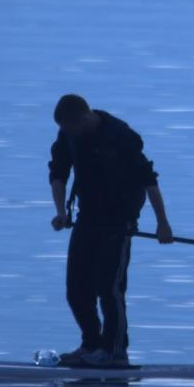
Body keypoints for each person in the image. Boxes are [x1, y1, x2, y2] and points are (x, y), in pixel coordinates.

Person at [48, 94, 173, 368]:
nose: (66, 133)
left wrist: (162, 223)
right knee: (76, 289)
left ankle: (115, 352)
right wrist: (61, 211)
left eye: (69, 127)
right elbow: (58, 172)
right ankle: (91, 345)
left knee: (109, 288)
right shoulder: (69, 133)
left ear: (84, 118)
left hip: (119, 222)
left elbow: (149, 180)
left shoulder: (120, 136)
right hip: (88, 217)